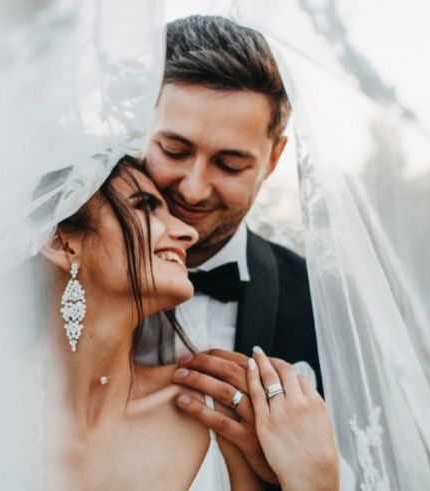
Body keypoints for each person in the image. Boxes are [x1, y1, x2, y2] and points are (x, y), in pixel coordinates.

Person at [40, 155, 339, 490]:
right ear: (60, 241)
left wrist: (316, 480)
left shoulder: (217, 415)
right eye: (146, 206)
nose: (187, 233)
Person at [134, 16, 325, 486]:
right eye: (175, 150)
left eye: (230, 163)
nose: (194, 190)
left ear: (273, 160)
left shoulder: (322, 306)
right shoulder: (57, 273)